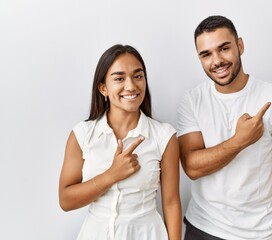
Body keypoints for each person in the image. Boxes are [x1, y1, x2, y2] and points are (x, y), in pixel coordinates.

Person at [177, 15, 272, 240]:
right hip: (203, 226)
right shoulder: (192, 100)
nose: (216, 60)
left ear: (240, 45)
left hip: (260, 232)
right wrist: (240, 140)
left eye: (224, 48)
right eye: (206, 54)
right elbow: (192, 167)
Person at [59, 44, 182, 240]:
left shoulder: (164, 136)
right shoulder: (82, 134)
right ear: (103, 88)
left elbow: (171, 203)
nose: (131, 86)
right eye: (119, 78)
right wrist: (111, 175)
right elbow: (65, 201)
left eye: (138, 76)